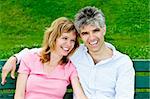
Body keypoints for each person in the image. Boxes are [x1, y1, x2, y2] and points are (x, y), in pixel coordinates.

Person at [1, 6, 135, 99]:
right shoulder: (76, 53)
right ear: (81, 37)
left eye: (96, 30)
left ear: (104, 29)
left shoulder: (122, 63)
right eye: (85, 33)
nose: (92, 38)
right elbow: (47, 51)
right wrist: (15, 58)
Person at [12, 17, 87, 99]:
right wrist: (14, 58)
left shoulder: (69, 68)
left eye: (72, 40)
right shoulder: (30, 58)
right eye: (65, 38)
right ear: (53, 38)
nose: (69, 44)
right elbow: (19, 95)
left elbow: (80, 95)